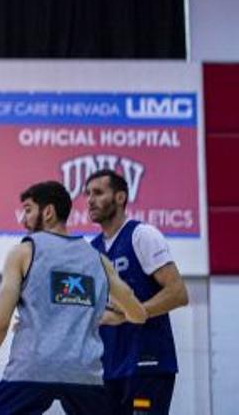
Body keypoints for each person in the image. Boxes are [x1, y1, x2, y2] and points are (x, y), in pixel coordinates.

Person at [0, 181, 148, 415]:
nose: (23, 219)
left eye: (27, 209)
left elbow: (0, 322)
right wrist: (109, 315)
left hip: (32, 369)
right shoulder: (97, 259)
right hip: (83, 373)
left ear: (48, 212)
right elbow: (138, 314)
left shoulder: (23, 252)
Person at [86, 169, 189, 415]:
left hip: (147, 364)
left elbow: (178, 293)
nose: (90, 200)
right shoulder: (92, 249)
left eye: (98, 193)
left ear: (120, 197)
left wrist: (132, 313)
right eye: (88, 194)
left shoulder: (142, 235)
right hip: (108, 368)